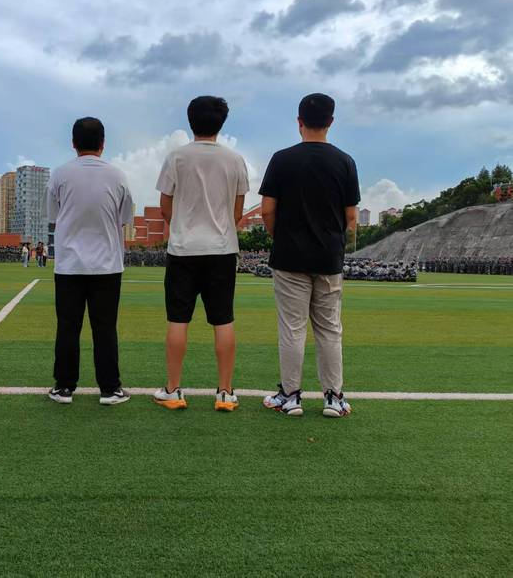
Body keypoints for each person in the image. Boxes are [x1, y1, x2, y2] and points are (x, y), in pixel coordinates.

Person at [260, 93, 359, 418]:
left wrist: (280, 237)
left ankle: (290, 396)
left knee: (292, 328)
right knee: (329, 329)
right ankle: (334, 397)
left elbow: (267, 210)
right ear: (331, 122)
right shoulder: (345, 162)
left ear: (299, 121)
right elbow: (351, 216)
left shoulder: (282, 159)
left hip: (289, 258)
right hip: (328, 258)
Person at [152, 96, 249, 411]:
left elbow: (165, 206)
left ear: (190, 120)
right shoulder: (235, 160)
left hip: (183, 250)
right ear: (222, 122)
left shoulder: (176, 157)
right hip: (221, 249)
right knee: (223, 319)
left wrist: (182, 227)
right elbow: (237, 211)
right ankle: (225, 392)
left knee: (178, 319)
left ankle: (173, 389)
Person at [47, 117, 134, 405]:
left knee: (68, 327)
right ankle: (110, 389)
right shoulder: (118, 176)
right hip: (107, 265)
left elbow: (53, 216)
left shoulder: (60, 174)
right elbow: (124, 218)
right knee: (105, 328)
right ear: (102, 143)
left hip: (69, 265)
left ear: (73, 143)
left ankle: (64, 387)